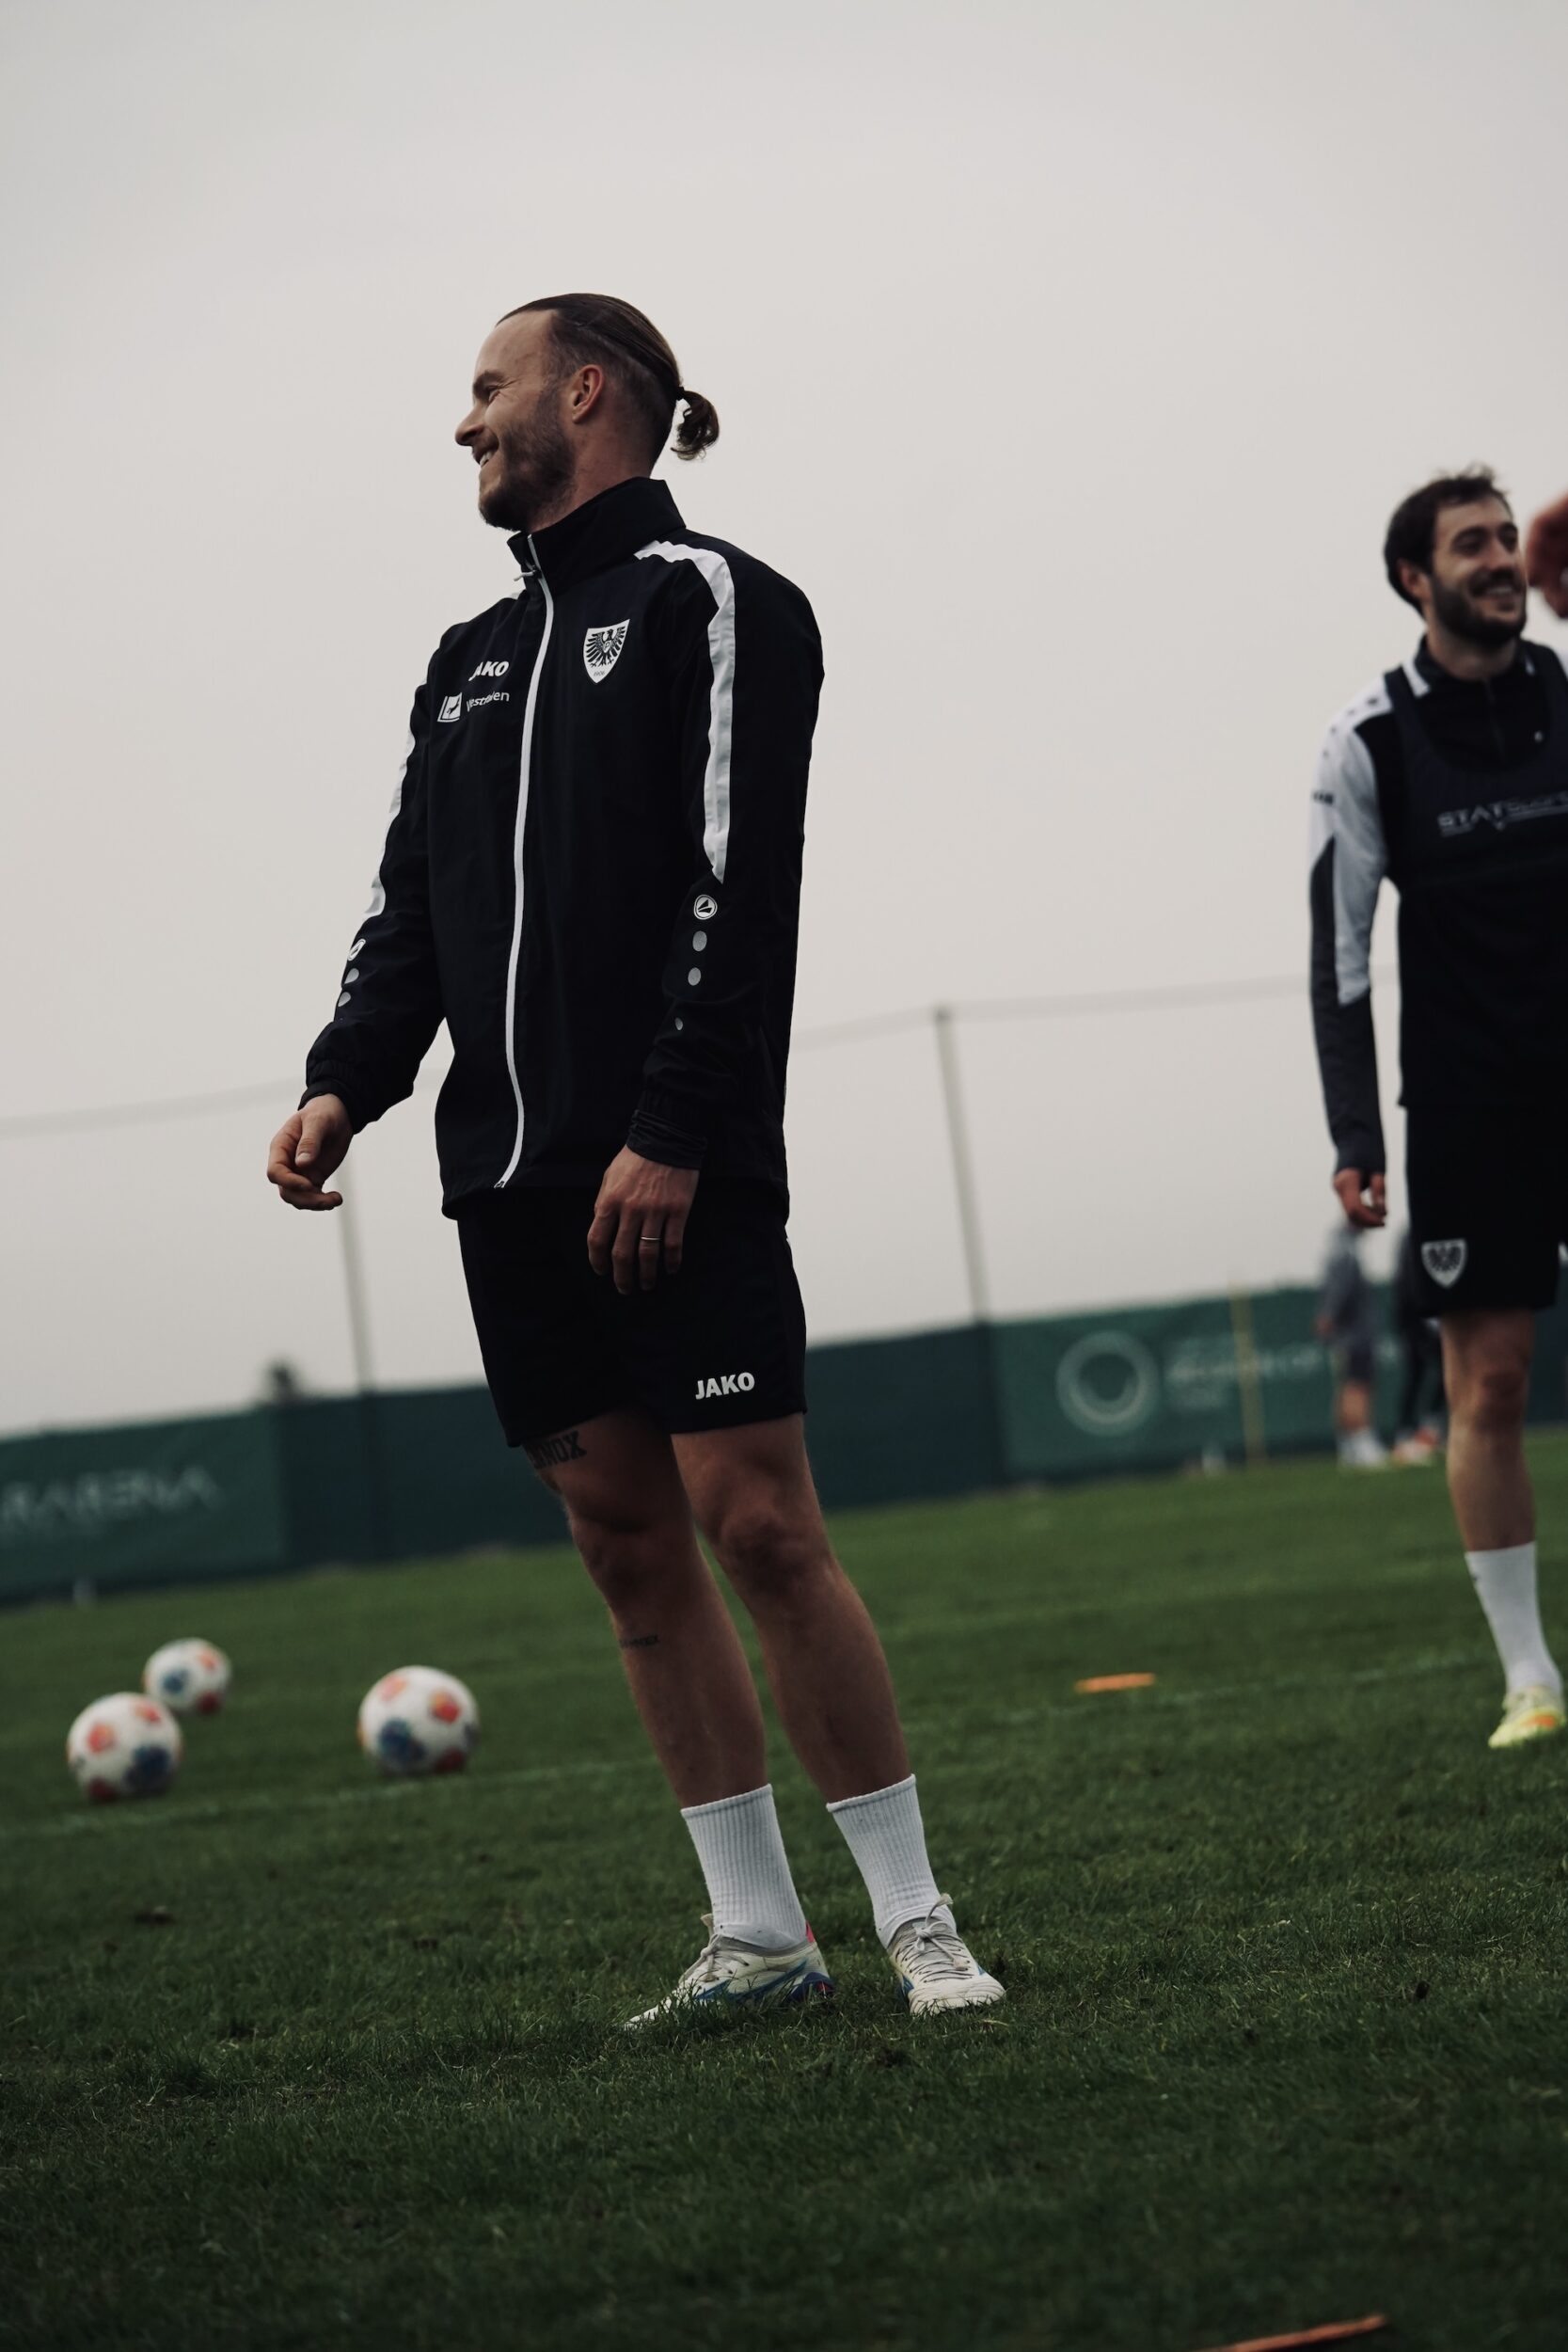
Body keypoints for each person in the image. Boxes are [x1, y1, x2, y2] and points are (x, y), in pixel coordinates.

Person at [266, 294, 1003, 2020]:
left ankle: (916, 1923)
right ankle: (758, 1941)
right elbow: (411, 909)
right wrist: (344, 1081)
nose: (465, 421)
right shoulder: (464, 656)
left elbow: (741, 885)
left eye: (488, 387)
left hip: (677, 1165)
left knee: (759, 1526)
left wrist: (671, 1131)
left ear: (586, 390)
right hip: (504, 1185)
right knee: (622, 1542)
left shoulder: (715, 601)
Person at [1308, 468, 1567, 1749]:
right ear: (1414, 578)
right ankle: (1529, 1677)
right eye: (1470, 543)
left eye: (1506, 539)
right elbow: (1340, 952)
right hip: (1467, 1102)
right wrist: (1354, 1133)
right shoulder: (1366, 739)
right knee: (1490, 1382)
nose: (1498, 558)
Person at [1314, 1224, 1386, 1468]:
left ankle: (1349, 1445)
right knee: (1358, 1387)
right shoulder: (1346, 1253)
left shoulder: (1336, 1250)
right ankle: (1361, 1439)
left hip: (1347, 1335)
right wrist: (1329, 1316)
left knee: (1348, 1386)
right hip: (1356, 1335)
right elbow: (1339, 1290)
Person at [1389, 1229, 1445, 1464]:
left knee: (1448, 1373)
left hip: (1438, 1319)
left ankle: (1429, 1430)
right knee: (1415, 1376)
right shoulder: (1410, 1239)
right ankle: (1404, 1435)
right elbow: (1406, 1283)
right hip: (1415, 1321)